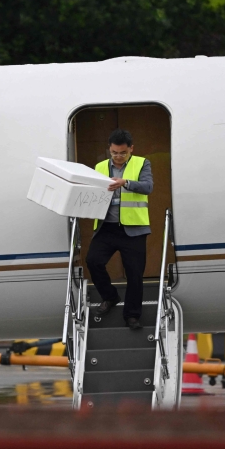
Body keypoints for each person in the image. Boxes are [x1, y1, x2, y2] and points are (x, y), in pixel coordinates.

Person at [86, 128, 153, 330]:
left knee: (134, 274)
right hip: (106, 227)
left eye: (122, 153)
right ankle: (110, 296)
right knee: (93, 261)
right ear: (110, 149)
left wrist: (126, 183)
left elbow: (148, 187)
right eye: (114, 152)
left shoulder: (142, 163)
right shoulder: (99, 166)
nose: (118, 156)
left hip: (133, 229)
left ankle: (132, 316)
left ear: (131, 149)